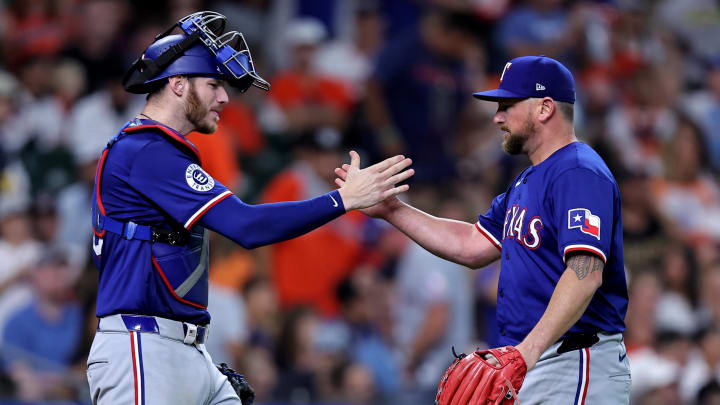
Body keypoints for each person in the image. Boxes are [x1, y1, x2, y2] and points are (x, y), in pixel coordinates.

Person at [86, 11, 414, 405]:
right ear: (176, 84)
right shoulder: (144, 152)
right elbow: (247, 226)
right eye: (213, 84)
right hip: (143, 349)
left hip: (181, 346)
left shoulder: (159, 153)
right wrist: (343, 199)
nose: (224, 97)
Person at [335, 55, 631, 403]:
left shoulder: (577, 171)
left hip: (575, 361)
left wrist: (525, 353)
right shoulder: (528, 180)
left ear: (545, 108)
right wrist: (392, 210)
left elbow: (585, 273)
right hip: (538, 359)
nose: (497, 117)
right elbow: (473, 244)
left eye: (508, 105)